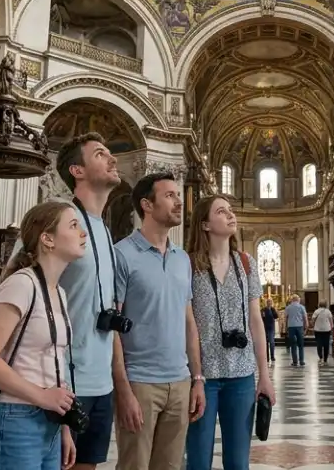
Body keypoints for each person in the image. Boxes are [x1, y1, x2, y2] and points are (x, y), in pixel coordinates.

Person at [0, 201, 86, 470]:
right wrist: (42, 396)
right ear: (47, 239)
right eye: (73, 225)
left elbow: (54, 361)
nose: (83, 233)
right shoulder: (21, 284)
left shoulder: (58, 292)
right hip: (14, 417)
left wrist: (65, 426)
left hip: (49, 420)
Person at [112, 173, 205, 470]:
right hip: (139, 382)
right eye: (169, 195)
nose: (179, 202)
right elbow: (112, 327)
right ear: (147, 205)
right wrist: (123, 390)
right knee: (134, 465)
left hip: (179, 381)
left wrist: (197, 378)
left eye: (178, 195)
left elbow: (188, 321)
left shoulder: (182, 259)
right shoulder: (122, 255)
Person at [184, 195, 276, 470]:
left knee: (238, 462)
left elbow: (256, 321)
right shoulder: (188, 265)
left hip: (241, 376)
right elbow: (188, 324)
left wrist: (264, 376)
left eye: (231, 210)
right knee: (198, 461)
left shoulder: (246, 263)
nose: (230, 215)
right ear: (205, 224)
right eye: (221, 211)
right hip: (202, 378)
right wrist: (196, 377)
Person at [55, 132, 122, 470]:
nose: (112, 159)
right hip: (63, 383)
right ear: (77, 170)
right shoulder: (58, 219)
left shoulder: (104, 230)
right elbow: (19, 288)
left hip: (100, 382)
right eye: (99, 154)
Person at [283, 295, 307, 367]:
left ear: (292, 300)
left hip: (291, 327)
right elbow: (305, 317)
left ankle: (295, 362)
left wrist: (285, 327)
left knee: (293, 345)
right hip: (299, 326)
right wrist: (306, 326)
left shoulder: (288, 307)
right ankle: (301, 361)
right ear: (298, 300)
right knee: (301, 345)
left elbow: (285, 318)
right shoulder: (301, 307)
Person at [261, 298, 279, 366]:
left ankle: (272, 356)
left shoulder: (273, 309)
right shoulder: (263, 309)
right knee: (265, 343)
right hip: (264, 328)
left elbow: (276, 316)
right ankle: (267, 357)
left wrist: (274, 311)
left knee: (271, 342)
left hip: (271, 328)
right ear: (266, 303)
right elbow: (262, 318)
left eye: (270, 302)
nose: (269, 303)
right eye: (268, 302)